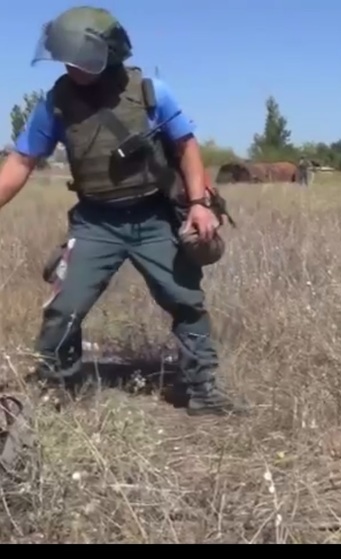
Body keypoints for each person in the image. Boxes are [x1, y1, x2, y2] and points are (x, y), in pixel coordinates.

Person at [0, 6, 246, 417]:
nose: (71, 66)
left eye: (81, 57)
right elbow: (21, 162)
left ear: (109, 53)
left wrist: (200, 205)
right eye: (66, 57)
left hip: (153, 216)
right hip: (96, 220)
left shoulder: (152, 91)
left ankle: (202, 388)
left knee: (184, 299)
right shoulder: (56, 104)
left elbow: (187, 147)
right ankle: (58, 387)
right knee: (65, 306)